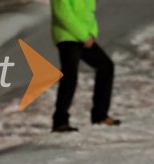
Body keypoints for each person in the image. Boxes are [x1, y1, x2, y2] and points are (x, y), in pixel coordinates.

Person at [50, 0, 121, 132]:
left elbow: (90, 13)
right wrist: (84, 36)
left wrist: (91, 34)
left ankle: (100, 116)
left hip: (84, 37)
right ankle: (60, 122)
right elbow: (63, 14)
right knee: (70, 74)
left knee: (106, 66)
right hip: (67, 36)